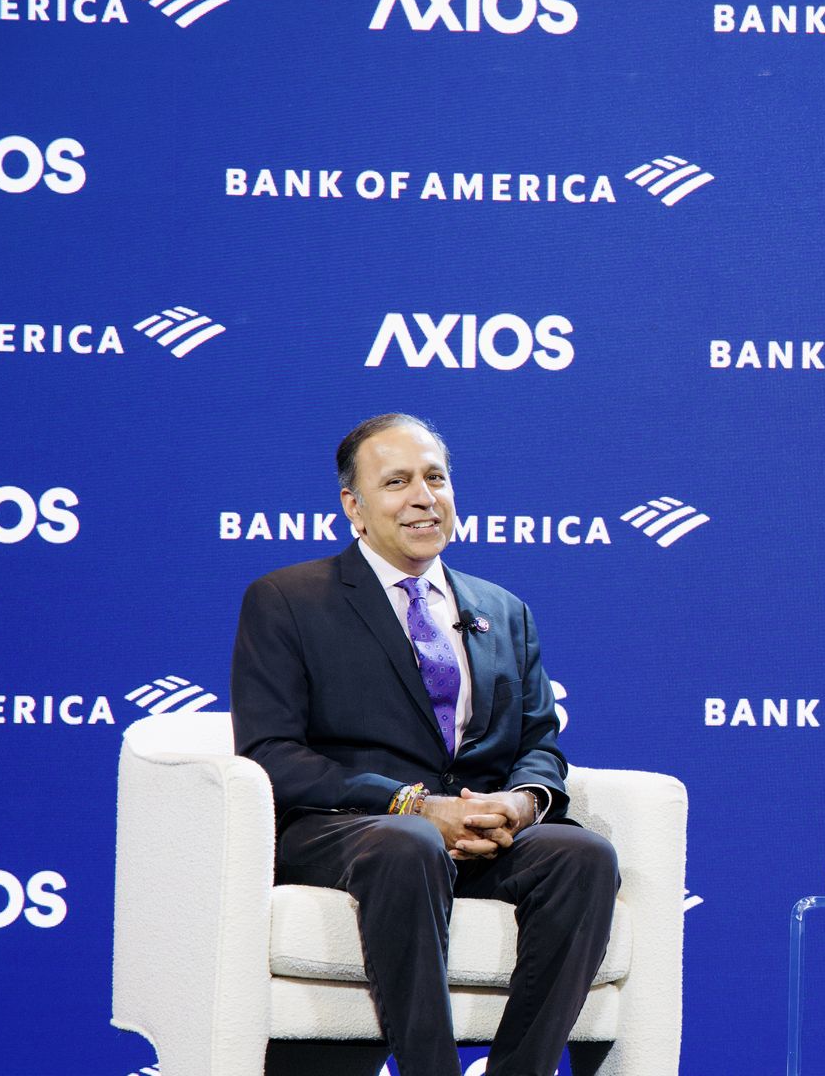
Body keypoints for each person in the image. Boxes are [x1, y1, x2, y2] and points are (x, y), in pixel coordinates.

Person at [231, 413, 620, 1076]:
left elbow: (539, 741)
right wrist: (413, 805)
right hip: (349, 828)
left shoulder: (504, 609)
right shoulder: (288, 599)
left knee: (582, 855)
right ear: (353, 506)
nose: (423, 497)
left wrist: (521, 805)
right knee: (407, 843)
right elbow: (272, 753)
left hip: (471, 832)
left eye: (436, 478)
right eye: (397, 482)